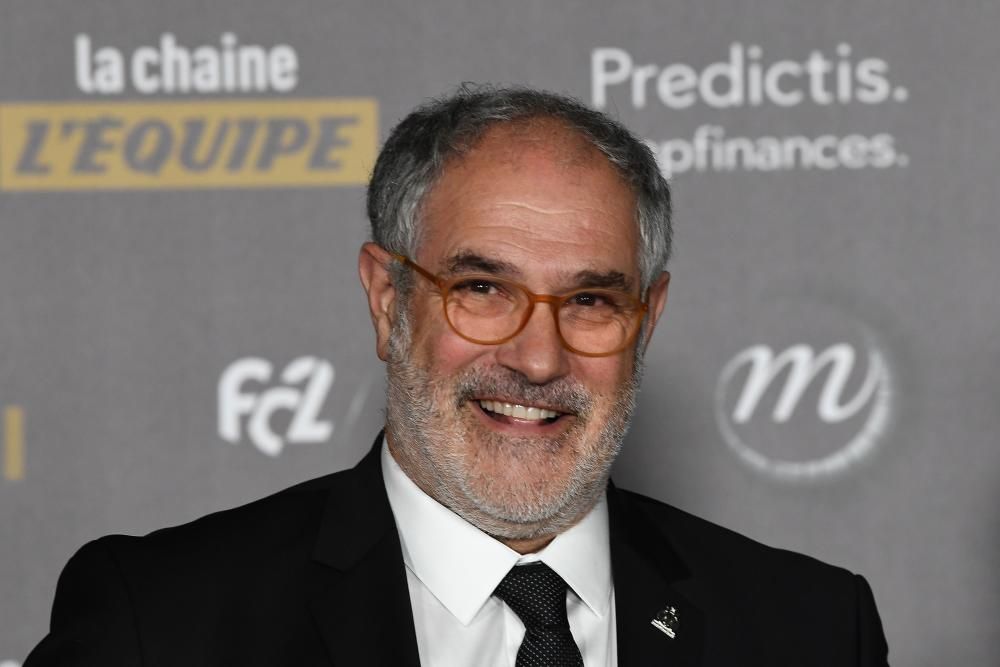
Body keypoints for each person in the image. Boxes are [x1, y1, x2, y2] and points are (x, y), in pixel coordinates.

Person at [26, 85, 889, 666]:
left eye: (590, 299)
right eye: (483, 289)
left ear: (646, 320)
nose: (538, 357)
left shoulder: (809, 629)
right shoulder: (162, 625)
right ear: (386, 299)